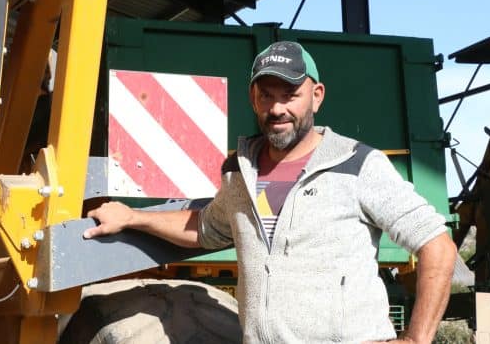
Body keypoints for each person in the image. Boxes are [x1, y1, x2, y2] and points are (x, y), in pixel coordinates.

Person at [84, 41, 457, 343]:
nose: (277, 108)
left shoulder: (358, 164)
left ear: (317, 95)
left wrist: (415, 339)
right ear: (253, 98)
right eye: (266, 96)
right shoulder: (239, 172)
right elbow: (204, 229)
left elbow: (437, 244)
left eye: (290, 94)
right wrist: (132, 217)